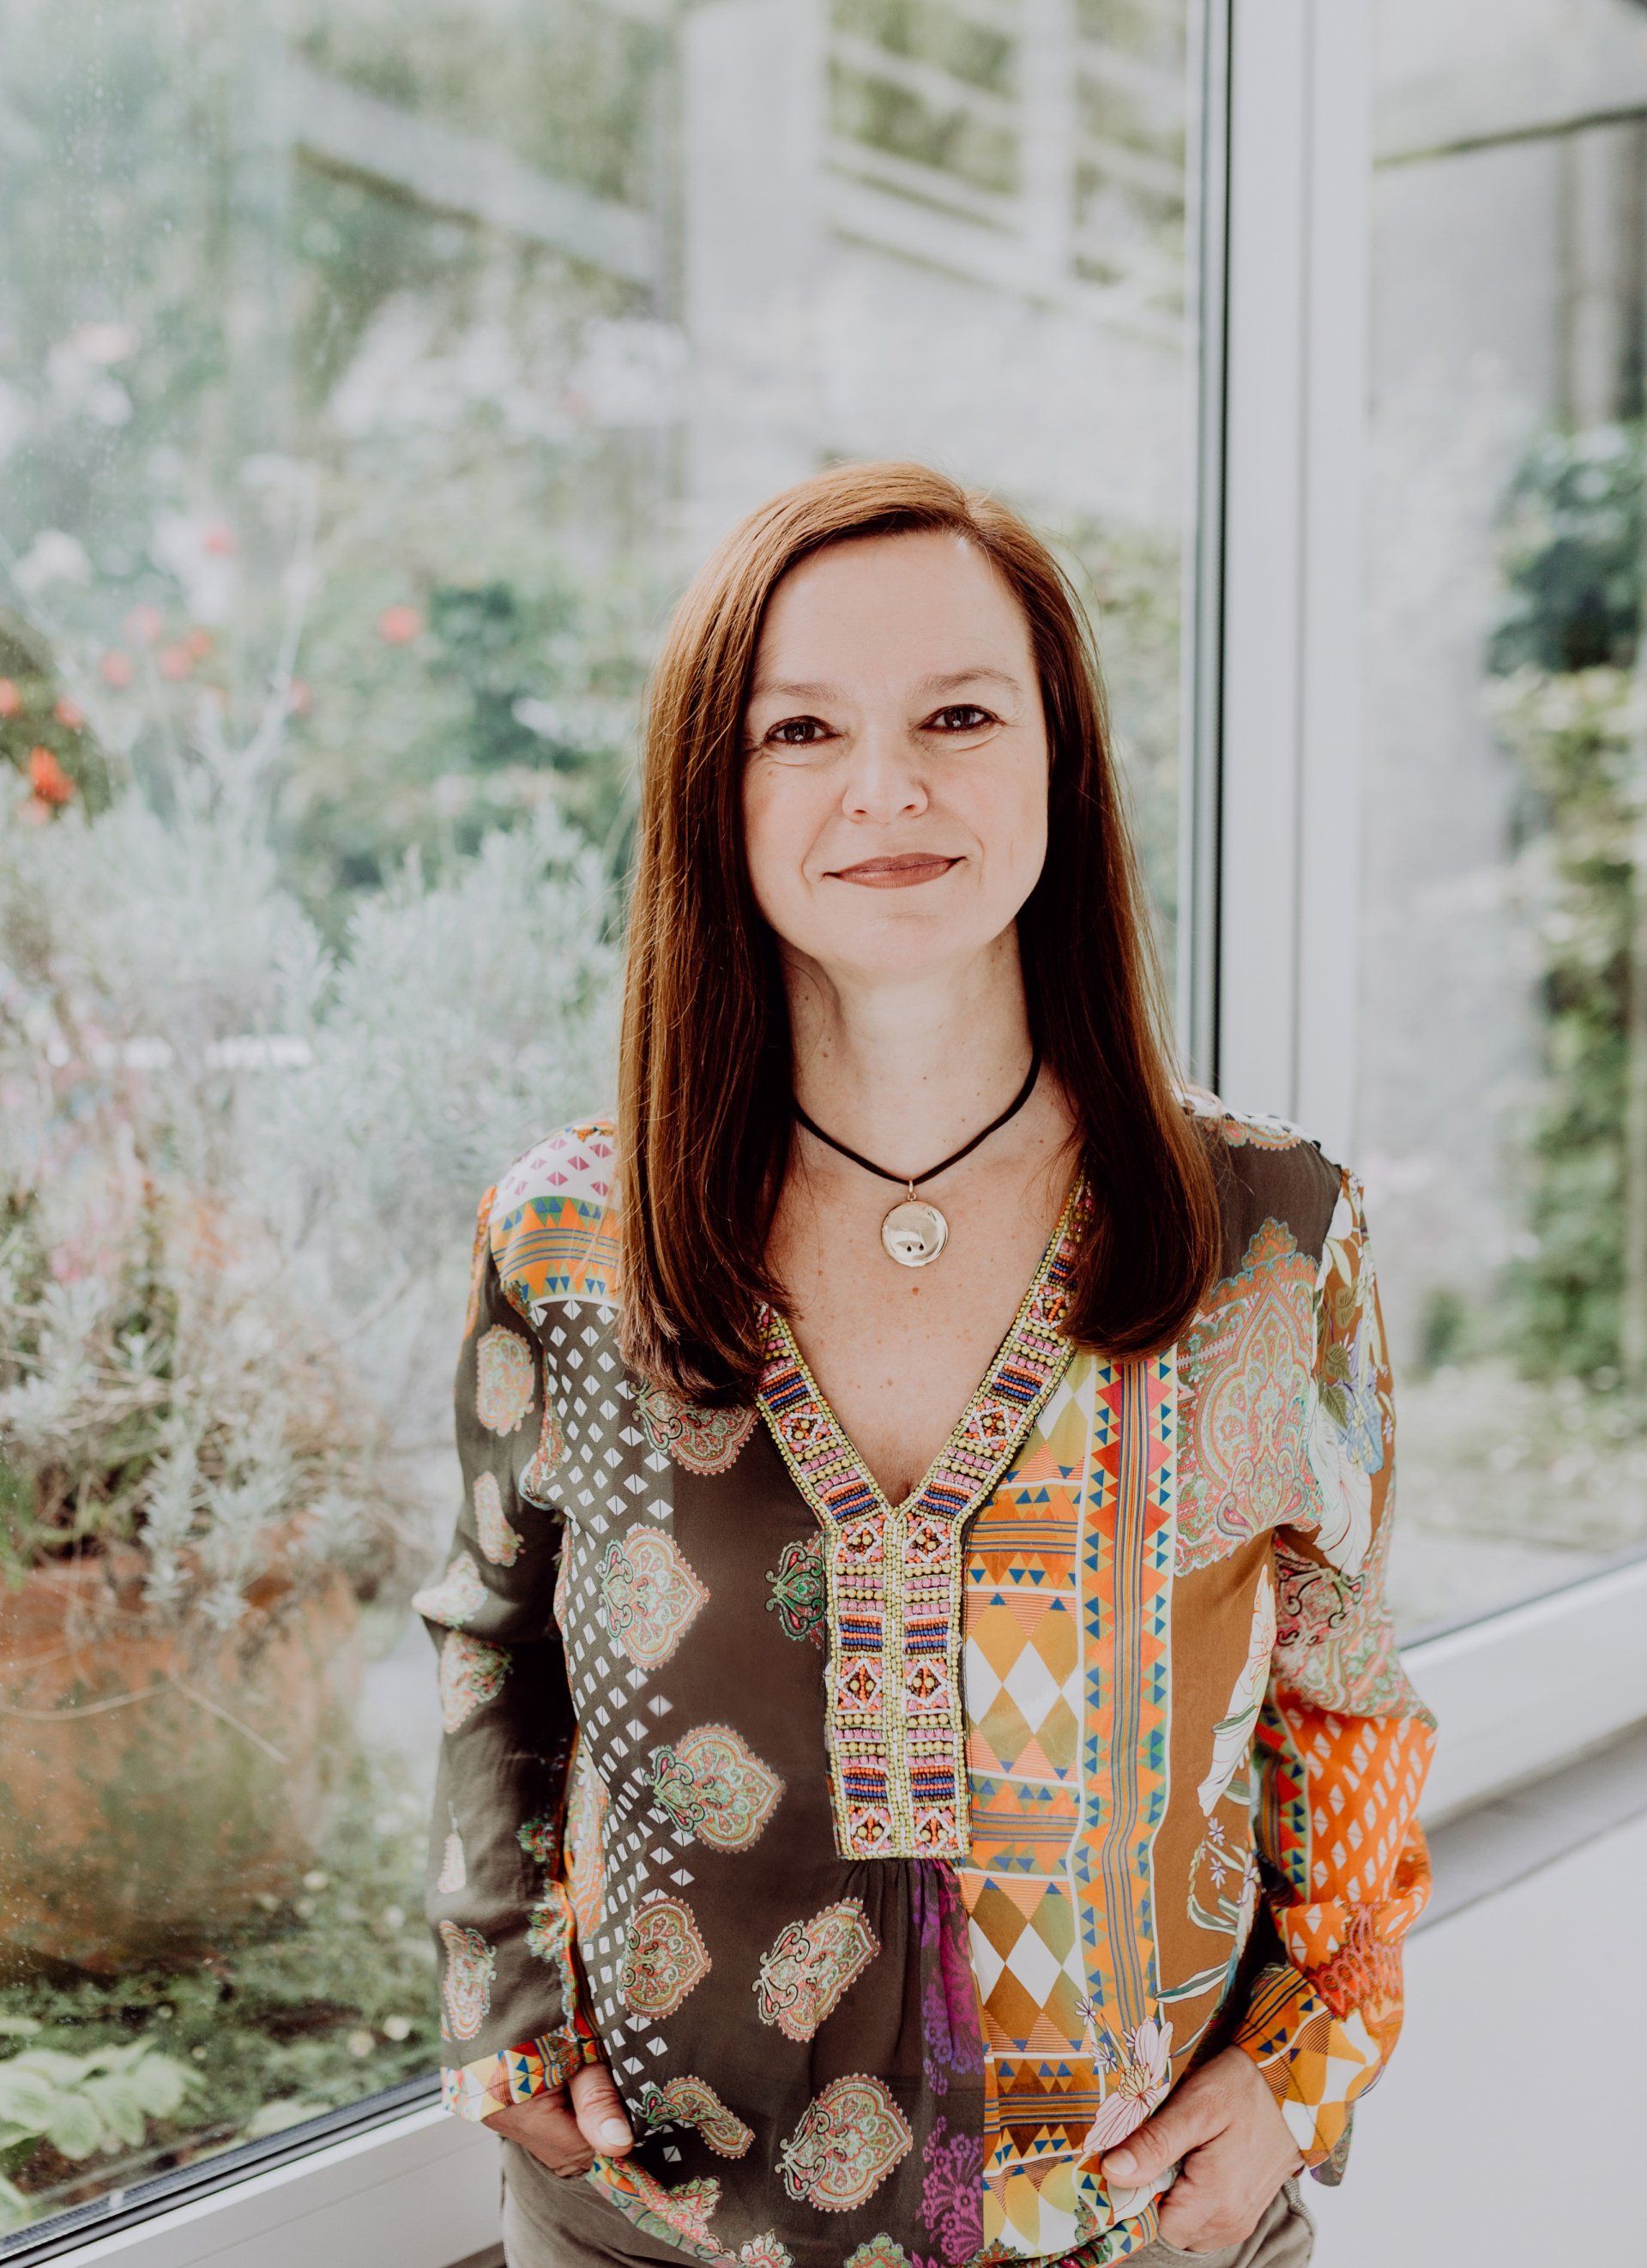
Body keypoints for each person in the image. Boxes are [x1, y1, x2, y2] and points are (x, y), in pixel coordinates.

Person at [414, 461, 1439, 2268]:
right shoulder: (566, 1237)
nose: (885, 786)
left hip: (1142, 2228)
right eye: (801, 729)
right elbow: (496, 1646)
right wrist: (501, 2007)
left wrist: (1308, 2065)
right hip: (651, 2224)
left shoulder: (1271, 1232)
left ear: (1061, 761)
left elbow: (1344, 1703)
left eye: (959, 715)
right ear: (715, 792)